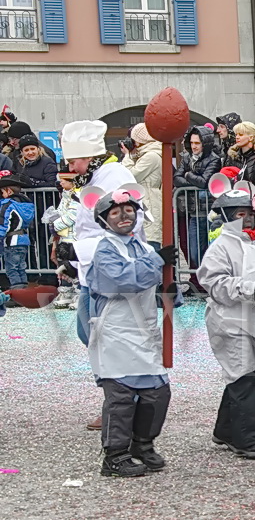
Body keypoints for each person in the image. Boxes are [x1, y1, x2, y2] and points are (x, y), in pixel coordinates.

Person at [84, 187, 176, 477]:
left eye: (129, 211)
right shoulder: (105, 250)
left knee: (157, 393)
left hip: (144, 331)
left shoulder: (145, 248)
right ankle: (114, 455)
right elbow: (124, 281)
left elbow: (158, 287)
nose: (124, 216)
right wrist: (158, 262)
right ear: (104, 220)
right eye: (115, 212)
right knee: (121, 396)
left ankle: (142, 444)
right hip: (116, 329)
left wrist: (171, 290)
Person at [198, 187, 255, 460]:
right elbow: (213, 283)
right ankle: (247, 439)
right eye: (241, 214)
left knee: (250, 372)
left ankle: (225, 429)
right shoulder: (220, 247)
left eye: (250, 213)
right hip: (228, 319)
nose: (248, 219)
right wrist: (249, 288)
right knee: (242, 375)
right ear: (228, 217)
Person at [65, 120, 138, 433]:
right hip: (92, 271)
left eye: (74, 160)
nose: (69, 166)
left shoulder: (116, 176)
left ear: (91, 156)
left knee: (108, 341)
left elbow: (126, 226)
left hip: (111, 274)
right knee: (90, 336)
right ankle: (120, 400)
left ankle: (123, 405)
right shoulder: (96, 176)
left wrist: (78, 250)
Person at [174, 125, 222, 268]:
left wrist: (188, 175)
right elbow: (176, 178)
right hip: (193, 211)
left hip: (208, 211)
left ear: (204, 144)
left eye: (197, 143)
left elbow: (204, 182)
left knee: (210, 250)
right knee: (194, 252)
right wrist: (191, 179)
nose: (193, 147)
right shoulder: (187, 158)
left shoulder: (214, 159)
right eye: (192, 143)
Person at [45, 167, 80, 309]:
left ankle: (80, 292)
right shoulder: (65, 195)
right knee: (64, 263)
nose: (60, 183)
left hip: (76, 236)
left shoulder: (78, 195)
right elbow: (61, 211)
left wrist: (56, 224)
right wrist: (53, 217)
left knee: (75, 265)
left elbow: (73, 214)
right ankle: (67, 291)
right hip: (65, 237)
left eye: (63, 181)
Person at [123, 124, 163, 250]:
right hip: (147, 199)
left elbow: (129, 175)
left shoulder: (151, 156)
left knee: (150, 243)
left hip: (149, 201)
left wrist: (128, 155)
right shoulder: (147, 154)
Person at [0, 172, 35, 291]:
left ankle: (17, 293)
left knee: (12, 269)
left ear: (8, 191)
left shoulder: (7, 205)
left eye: (2, 191)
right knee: (20, 267)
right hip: (23, 239)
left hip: (11, 240)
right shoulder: (27, 204)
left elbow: (3, 223)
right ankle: (23, 290)